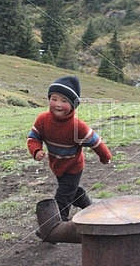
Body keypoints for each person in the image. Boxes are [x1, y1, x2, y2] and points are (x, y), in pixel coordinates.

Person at [27, 75, 112, 222]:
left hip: (73, 167)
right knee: (72, 192)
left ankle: (57, 225)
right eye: (54, 99)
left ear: (73, 105)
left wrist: (105, 157)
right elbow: (33, 137)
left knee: (63, 196)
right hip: (56, 165)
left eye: (64, 101)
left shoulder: (77, 127)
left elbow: (95, 142)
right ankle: (89, 206)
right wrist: (36, 150)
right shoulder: (43, 120)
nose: (58, 104)